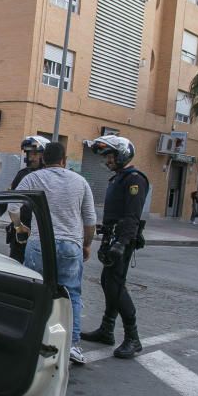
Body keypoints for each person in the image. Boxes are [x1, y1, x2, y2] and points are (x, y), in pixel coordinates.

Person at [18, 141, 96, 365]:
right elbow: (90, 221)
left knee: (36, 292)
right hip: (71, 245)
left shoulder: (34, 178)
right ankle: (72, 345)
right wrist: (87, 244)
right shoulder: (80, 182)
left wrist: (19, 227)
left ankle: (32, 338)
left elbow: (12, 207)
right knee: (71, 294)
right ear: (64, 161)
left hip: (39, 244)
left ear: (43, 159)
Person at [79, 135, 150, 359]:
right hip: (112, 238)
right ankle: (107, 330)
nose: (107, 160)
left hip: (122, 241)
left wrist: (121, 243)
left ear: (121, 154)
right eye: (106, 156)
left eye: (110, 155)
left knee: (116, 286)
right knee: (109, 283)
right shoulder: (118, 178)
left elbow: (132, 216)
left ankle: (133, 338)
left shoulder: (134, 179)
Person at [6, 135, 50, 262]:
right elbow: (11, 201)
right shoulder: (22, 174)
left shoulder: (50, 177)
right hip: (21, 232)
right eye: (29, 154)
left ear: (45, 155)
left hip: (41, 233)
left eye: (35, 154)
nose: (31, 157)